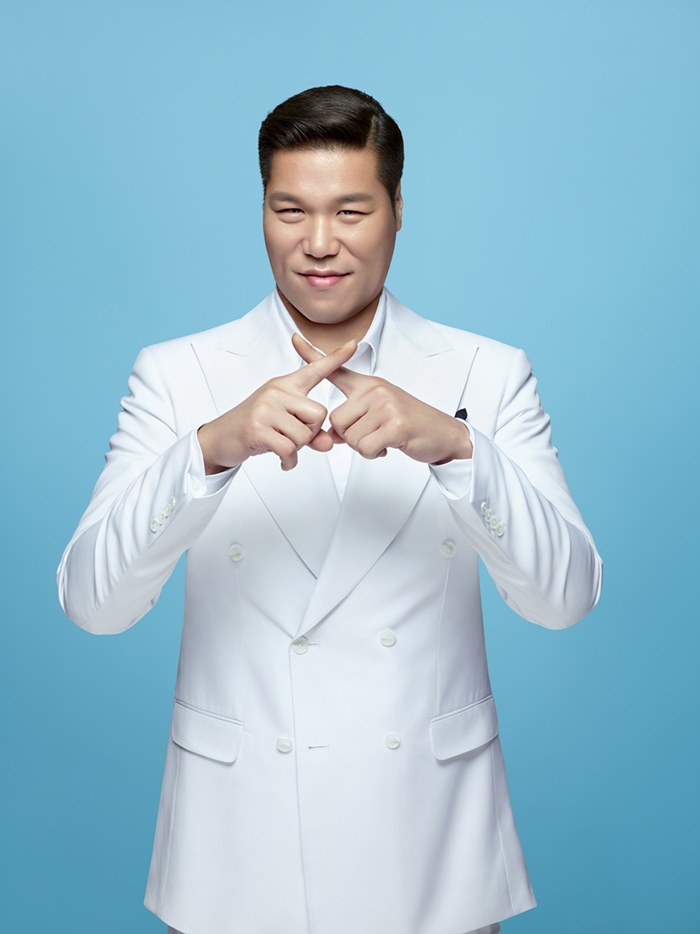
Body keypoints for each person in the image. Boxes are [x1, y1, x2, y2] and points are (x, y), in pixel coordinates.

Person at [58, 85, 602, 934]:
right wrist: (208, 450)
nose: (318, 243)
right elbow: (93, 604)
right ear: (262, 213)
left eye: (350, 210)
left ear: (396, 211)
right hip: (239, 847)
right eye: (290, 210)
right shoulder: (178, 374)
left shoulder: (485, 374)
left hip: (430, 847)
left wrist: (459, 450)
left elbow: (564, 599)